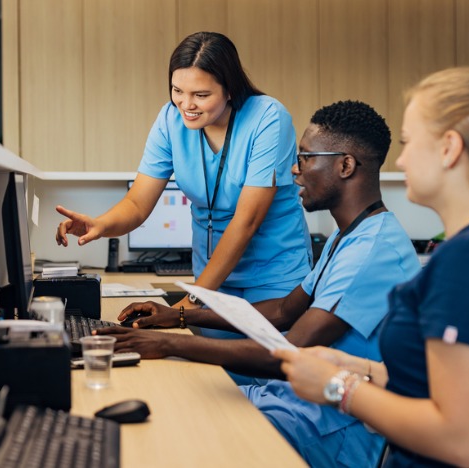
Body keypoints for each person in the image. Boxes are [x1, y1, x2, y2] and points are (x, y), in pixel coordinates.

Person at [273, 67, 469, 466]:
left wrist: (340, 388)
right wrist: (356, 368)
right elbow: (448, 383)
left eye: (409, 143)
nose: (402, 160)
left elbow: (460, 439)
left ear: (450, 148)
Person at [98, 100, 421, 466]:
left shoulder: (373, 250)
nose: (295, 171)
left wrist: (165, 343)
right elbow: (284, 311)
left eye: (307, 158)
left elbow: (289, 351)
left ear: (345, 165)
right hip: (293, 403)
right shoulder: (349, 235)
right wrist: (182, 318)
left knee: (171, 436)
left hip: (329, 429)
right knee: (170, 403)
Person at [54, 32, 311, 337]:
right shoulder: (170, 120)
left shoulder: (268, 118)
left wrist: (188, 303)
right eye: (177, 90)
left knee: (265, 375)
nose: (186, 104)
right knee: (209, 377)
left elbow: (247, 222)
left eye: (201, 95)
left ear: (230, 89)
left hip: (273, 278)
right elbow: (138, 203)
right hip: (210, 281)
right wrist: (100, 224)